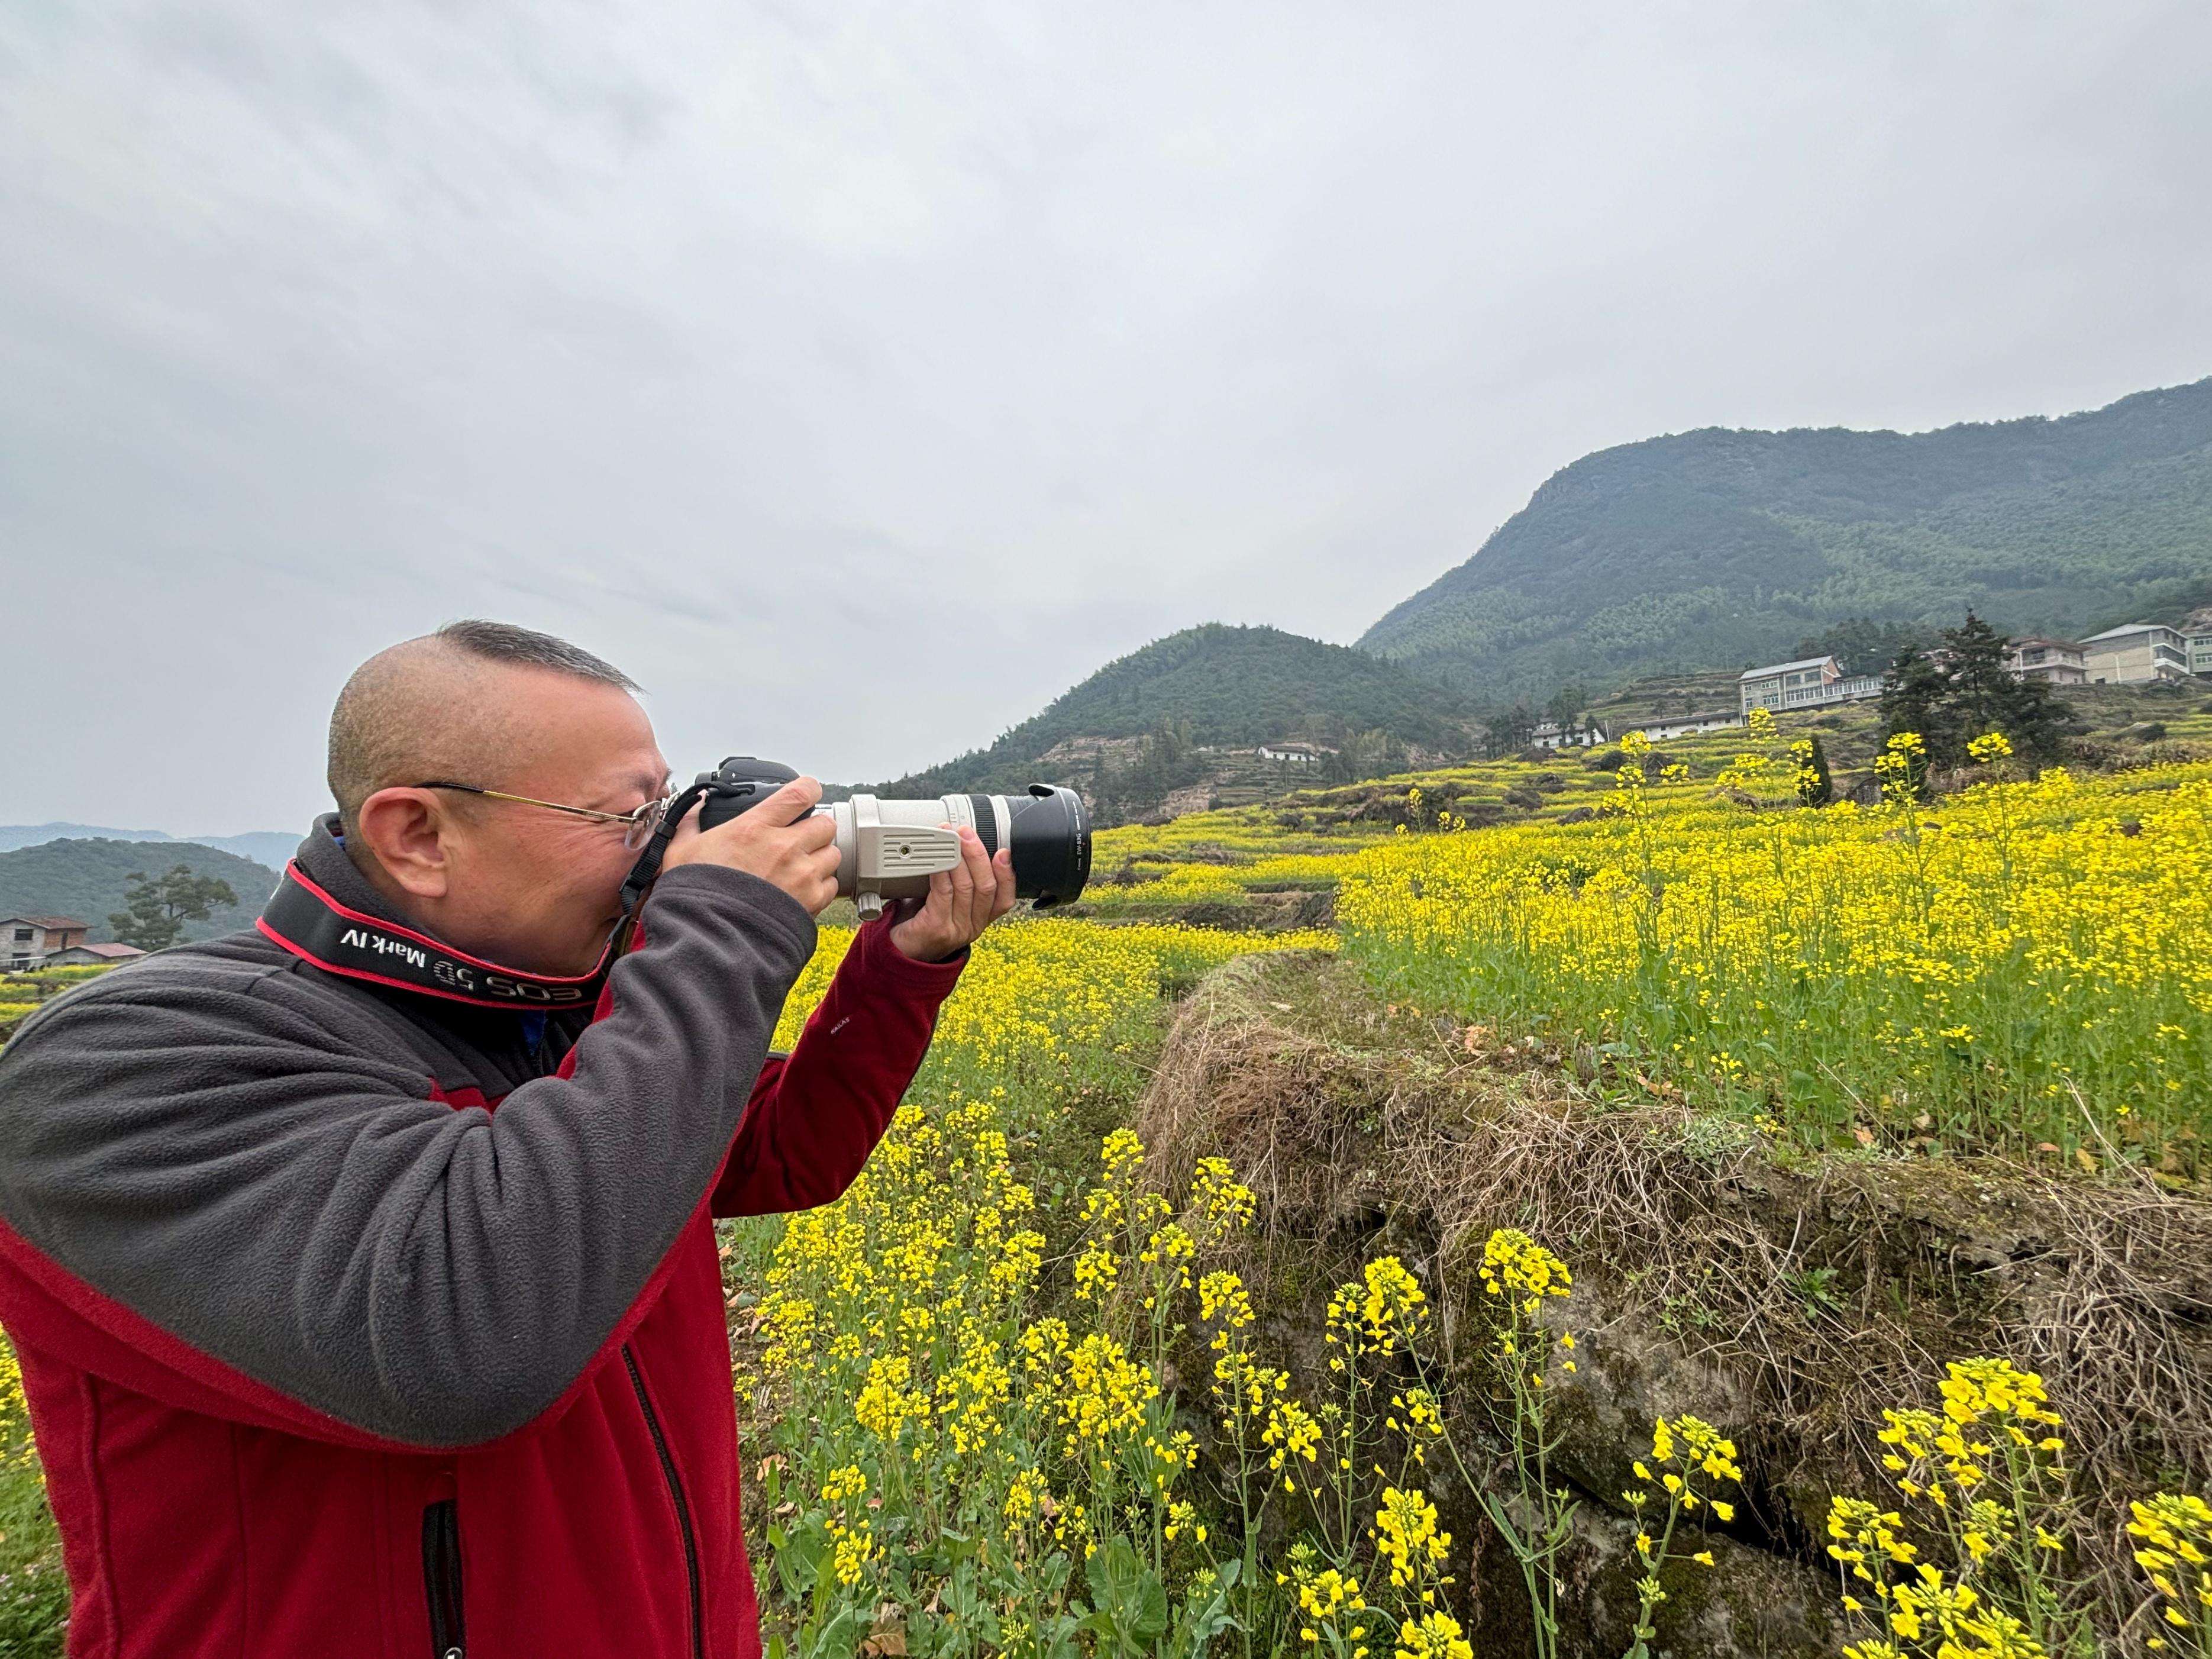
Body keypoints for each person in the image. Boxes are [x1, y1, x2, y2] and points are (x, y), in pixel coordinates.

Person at [0, 620, 1015, 1658]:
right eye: (628, 818)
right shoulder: (121, 1067)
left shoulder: (546, 1012)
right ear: (419, 836)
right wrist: (722, 930)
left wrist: (906, 963)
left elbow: (780, 1152)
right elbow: (462, 1344)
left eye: (664, 809)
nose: (662, 851)